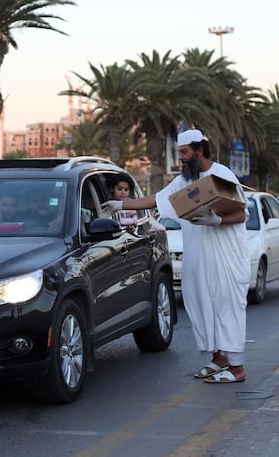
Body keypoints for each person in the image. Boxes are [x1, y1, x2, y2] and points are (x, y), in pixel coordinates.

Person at [100, 129, 250, 384]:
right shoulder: (185, 180)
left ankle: (237, 368)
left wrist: (217, 220)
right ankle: (219, 359)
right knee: (202, 306)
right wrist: (121, 205)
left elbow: (242, 214)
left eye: (183, 152)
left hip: (225, 259)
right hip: (199, 259)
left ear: (198, 150)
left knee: (226, 308)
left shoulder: (221, 174)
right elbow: (157, 199)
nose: (179, 157)